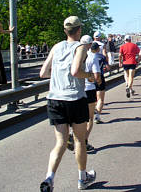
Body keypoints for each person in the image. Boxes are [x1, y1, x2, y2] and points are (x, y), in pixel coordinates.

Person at [39, 16, 96, 191]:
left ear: (65, 30)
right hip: (75, 99)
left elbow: (43, 73)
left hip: (55, 99)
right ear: (79, 30)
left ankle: (49, 178)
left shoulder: (56, 47)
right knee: (79, 141)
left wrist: (58, 78)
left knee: (60, 142)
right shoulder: (80, 47)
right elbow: (75, 71)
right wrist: (89, 76)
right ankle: (82, 178)